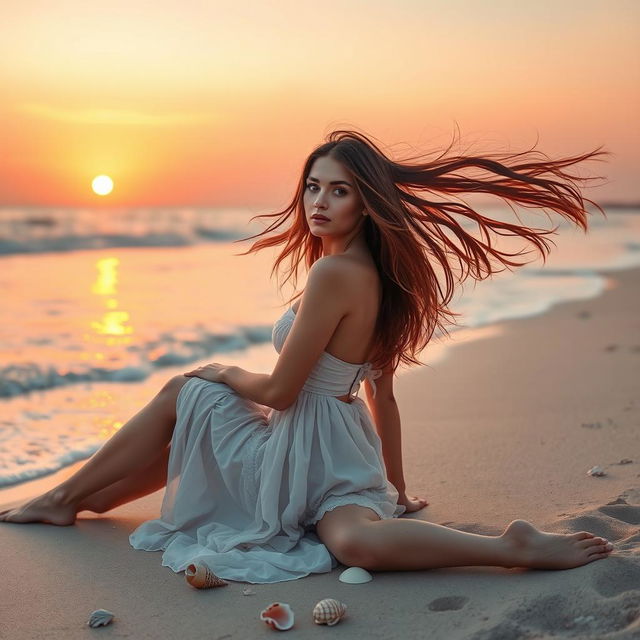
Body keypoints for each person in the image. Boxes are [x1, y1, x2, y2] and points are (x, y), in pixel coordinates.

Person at [0, 128, 615, 584]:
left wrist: (220, 372)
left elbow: (278, 395)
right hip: (343, 450)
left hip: (301, 443)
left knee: (189, 391)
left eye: (338, 190)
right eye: (313, 186)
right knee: (350, 539)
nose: (319, 202)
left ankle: (514, 547)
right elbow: (384, 396)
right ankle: (73, 500)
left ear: (366, 202)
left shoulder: (334, 275)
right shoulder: (384, 276)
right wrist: (395, 489)